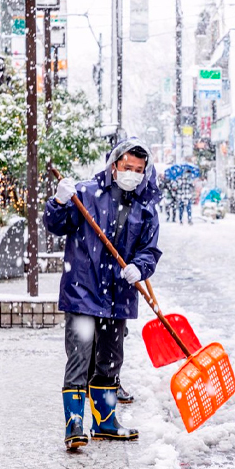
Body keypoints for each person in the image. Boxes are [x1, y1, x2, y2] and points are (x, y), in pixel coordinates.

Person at [43, 138, 162, 449]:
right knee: (80, 357)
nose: (132, 174)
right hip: (83, 288)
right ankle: (74, 423)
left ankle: (106, 421)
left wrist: (139, 267)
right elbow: (56, 224)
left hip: (118, 296)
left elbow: (149, 250)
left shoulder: (145, 206)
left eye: (138, 170)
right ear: (114, 165)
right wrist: (58, 202)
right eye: (127, 167)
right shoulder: (85, 194)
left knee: (110, 360)